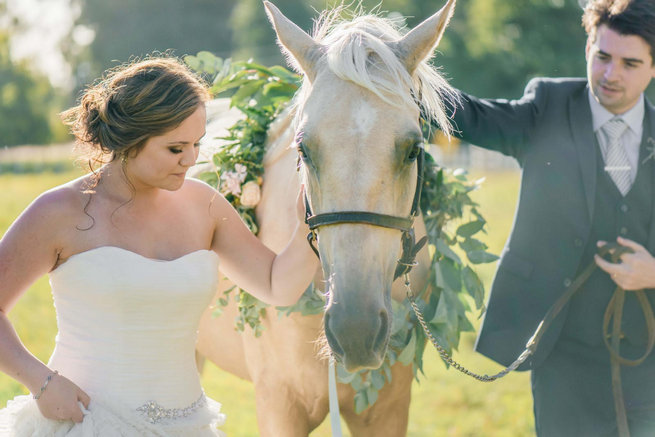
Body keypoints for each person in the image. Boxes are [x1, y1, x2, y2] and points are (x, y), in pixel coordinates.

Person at [0, 56, 318, 436]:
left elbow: (276, 285)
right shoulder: (59, 211)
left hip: (187, 426)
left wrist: (309, 224)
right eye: (175, 148)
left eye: (197, 144)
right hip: (82, 422)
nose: (192, 159)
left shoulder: (205, 206)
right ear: (132, 138)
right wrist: (42, 382)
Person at [444, 0, 655, 435]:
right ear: (588, 47)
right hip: (562, 352)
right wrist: (396, 74)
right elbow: (473, 117)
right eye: (602, 56)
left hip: (648, 354)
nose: (611, 74)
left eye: (630, 63)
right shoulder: (548, 106)